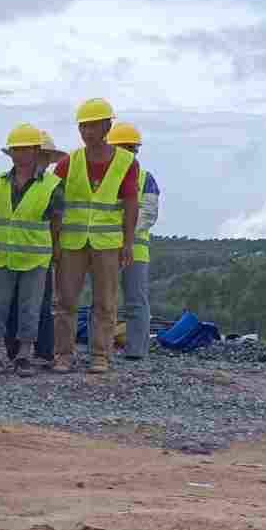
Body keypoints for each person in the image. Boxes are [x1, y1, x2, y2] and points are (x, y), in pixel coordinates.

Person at [51, 98, 139, 374]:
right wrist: (54, 242)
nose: (87, 132)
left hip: (107, 244)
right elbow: (53, 203)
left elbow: (131, 203)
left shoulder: (126, 163)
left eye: (92, 126)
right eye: (82, 127)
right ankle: (63, 355)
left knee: (105, 302)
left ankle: (101, 355)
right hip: (72, 243)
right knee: (65, 301)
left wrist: (128, 242)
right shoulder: (68, 162)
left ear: (107, 126)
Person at [0, 125, 61, 376]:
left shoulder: (53, 185)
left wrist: (54, 252)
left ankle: (24, 355)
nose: (20, 154)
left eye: (25, 149)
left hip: (34, 257)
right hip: (0, 256)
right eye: (16, 149)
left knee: (30, 308)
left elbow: (56, 223)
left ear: (36, 151)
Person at [112, 121, 157, 361]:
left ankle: (136, 351)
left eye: (132, 149)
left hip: (135, 251)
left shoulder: (145, 178)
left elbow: (148, 215)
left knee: (135, 301)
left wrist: (123, 235)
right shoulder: (103, 177)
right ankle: (98, 350)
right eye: (124, 148)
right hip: (105, 247)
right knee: (103, 300)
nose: (129, 153)